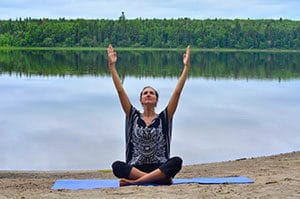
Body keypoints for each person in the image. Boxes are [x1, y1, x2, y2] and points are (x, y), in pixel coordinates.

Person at [107, 44, 190, 186]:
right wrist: (112, 66)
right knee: (117, 166)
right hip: (136, 167)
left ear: (156, 100)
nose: (148, 95)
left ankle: (135, 183)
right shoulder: (132, 115)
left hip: (160, 167)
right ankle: (156, 179)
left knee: (177, 161)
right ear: (140, 99)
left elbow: (177, 92)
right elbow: (120, 91)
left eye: (151, 93)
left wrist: (186, 68)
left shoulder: (165, 117)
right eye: (145, 93)